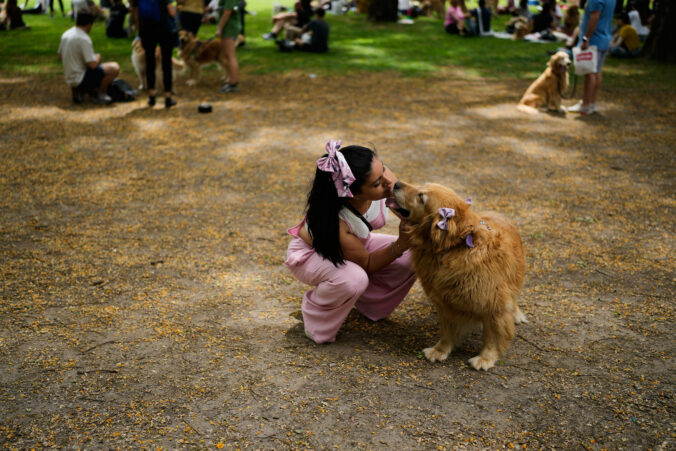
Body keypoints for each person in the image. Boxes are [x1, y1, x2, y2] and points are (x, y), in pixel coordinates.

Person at [285, 140, 416, 344]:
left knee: (414, 255)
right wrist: (401, 244)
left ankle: (370, 305)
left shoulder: (381, 179)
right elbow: (367, 264)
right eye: (377, 183)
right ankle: (316, 316)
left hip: (357, 243)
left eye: (383, 169)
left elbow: (410, 213)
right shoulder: (335, 221)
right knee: (354, 279)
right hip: (312, 255)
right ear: (352, 193)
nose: (388, 182)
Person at [58, 9, 119, 104]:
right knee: (114, 68)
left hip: (70, 77)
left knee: (98, 67)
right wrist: (98, 56)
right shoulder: (84, 38)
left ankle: (80, 90)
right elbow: (93, 65)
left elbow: (60, 56)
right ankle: (98, 93)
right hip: (81, 78)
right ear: (90, 24)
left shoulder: (66, 34)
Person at [567, 0, 616, 115]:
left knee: (590, 73)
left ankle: (585, 105)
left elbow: (595, 16)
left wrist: (586, 38)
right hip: (605, 38)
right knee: (597, 72)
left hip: (594, 40)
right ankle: (592, 103)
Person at [138, 0, 177, 108]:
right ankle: (168, 96)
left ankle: (151, 96)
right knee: (166, 63)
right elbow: (172, 12)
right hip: (164, 28)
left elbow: (136, 12)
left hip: (146, 28)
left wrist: (140, 33)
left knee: (150, 61)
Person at [215, 0, 241, 93]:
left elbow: (227, 12)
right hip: (228, 27)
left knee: (230, 56)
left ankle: (233, 83)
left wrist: (219, 28)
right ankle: (231, 81)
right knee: (228, 56)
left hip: (229, 28)